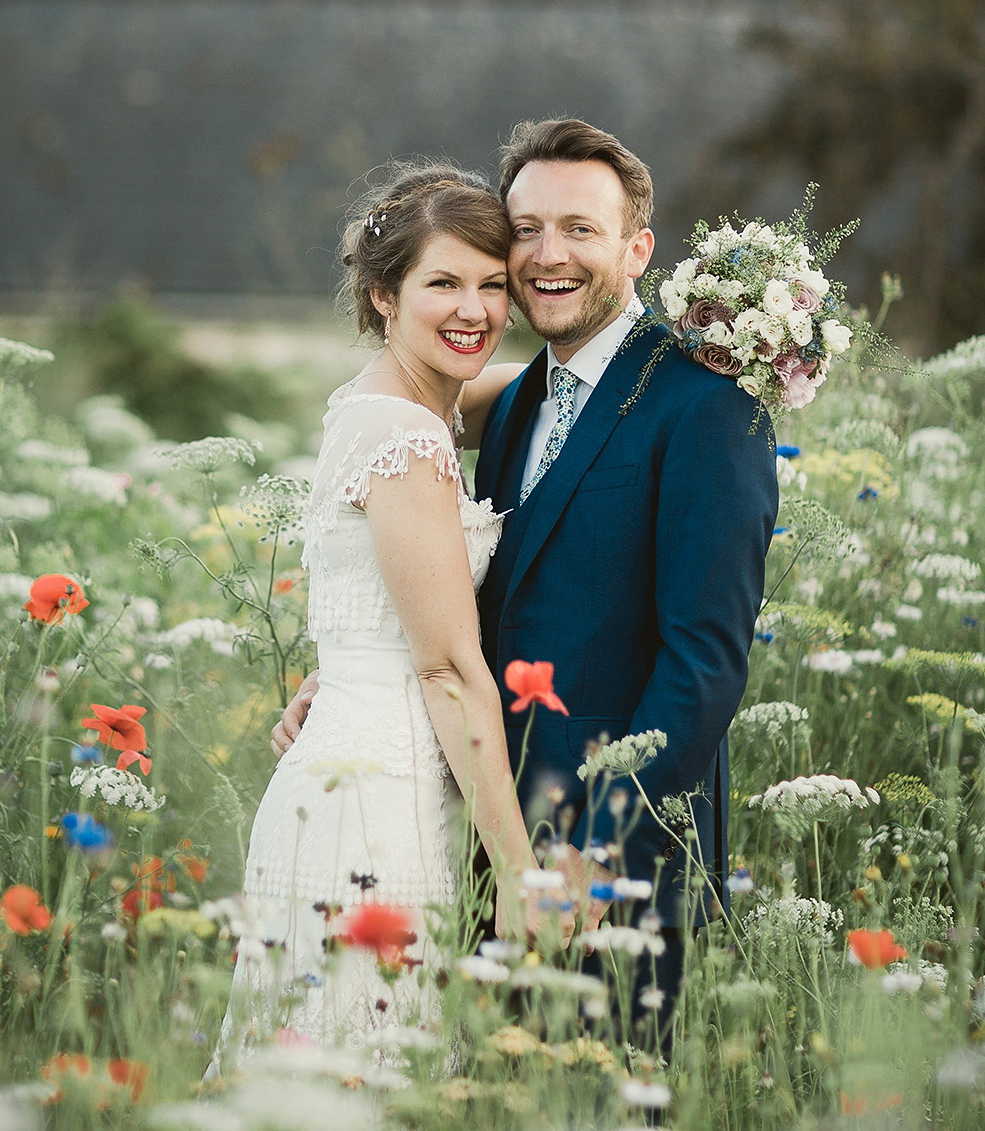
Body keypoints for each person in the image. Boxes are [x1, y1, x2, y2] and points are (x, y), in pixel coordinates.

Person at [278, 120, 778, 1048]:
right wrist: (357, 673)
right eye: (527, 230)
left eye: (580, 229)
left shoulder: (708, 407)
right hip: (471, 833)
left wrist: (596, 850)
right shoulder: (508, 399)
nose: (548, 256)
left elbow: (704, 664)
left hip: (608, 868)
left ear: (637, 249)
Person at [209, 163, 556, 1069]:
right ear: (382, 292)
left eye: (492, 285)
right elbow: (444, 668)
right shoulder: (402, 436)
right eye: (442, 283)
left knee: (329, 1077)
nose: (473, 310)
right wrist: (521, 875)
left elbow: (545, 382)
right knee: (360, 1083)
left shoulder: (397, 404)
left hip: (360, 768)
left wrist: (665, 350)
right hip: (372, 805)